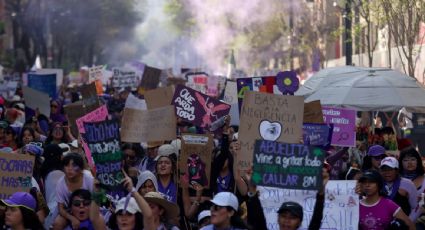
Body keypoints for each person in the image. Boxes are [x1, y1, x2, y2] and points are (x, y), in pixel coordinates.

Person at [53, 153, 94, 230]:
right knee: (57, 223)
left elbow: (97, 200)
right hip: (70, 211)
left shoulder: (89, 178)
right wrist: (72, 218)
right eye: (67, 165)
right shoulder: (60, 183)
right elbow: (61, 208)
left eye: (74, 165)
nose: (69, 169)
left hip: (89, 209)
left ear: (81, 168)